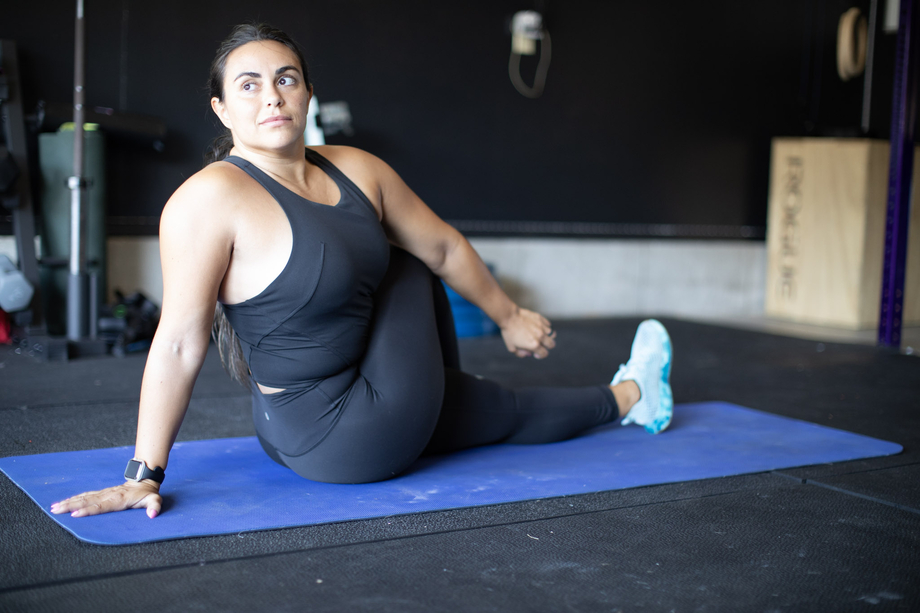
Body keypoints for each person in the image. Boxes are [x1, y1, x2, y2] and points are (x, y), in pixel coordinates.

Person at [51, 23, 673, 520]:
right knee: (402, 257)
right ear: (221, 109)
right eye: (248, 84)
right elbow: (180, 341)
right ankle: (466, 400)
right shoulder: (207, 200)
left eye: (285, 78)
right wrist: (142, 476)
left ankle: (633, 397)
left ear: (307, 94)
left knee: (498, 409)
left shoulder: (354, 167)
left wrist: (510, 317)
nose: (271, 95)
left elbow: (450, 247)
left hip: (290, 431)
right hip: (349, 433)